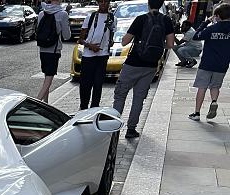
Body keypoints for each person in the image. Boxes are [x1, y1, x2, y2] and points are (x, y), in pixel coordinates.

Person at [112, 0, 175, 139]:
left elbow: (124, 41)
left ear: (149, 4)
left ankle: (114, 128)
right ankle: (131, 129)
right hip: (150, 65)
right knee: (139, 98)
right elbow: (170, 44)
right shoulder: (166, 20)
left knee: (120, 95)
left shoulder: (141, 19)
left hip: (133, 63)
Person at [188, 3, 230, 120]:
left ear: (217, 16)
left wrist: (206, 22)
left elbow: (196, 36)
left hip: (207, 63)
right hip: (222, 64)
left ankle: (196, 113)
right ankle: (214, 101)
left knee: (202, 87)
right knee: (215, 86)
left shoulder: (211, 29)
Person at [78, 0, 117, 109]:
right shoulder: (90, 18)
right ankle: (83, 108)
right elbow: (80, 40)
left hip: (103, 56)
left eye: (106, 2)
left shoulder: (113, 18)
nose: (103, 4)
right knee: (85, 85)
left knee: (98, 85)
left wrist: (110, 42)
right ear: (98, 3)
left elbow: (111, 35)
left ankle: (94, 109)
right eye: (101, 1)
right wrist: (90, 46)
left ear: (109, 3)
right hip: (88, 57)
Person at [36, 0, 71, 102]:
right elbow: (67, 36)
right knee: (48, 81)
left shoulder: (42, 13)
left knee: (46, 77)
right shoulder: (62, 14)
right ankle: (36, 103)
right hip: (54, 50)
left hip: (42, 49)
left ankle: (46, 104)